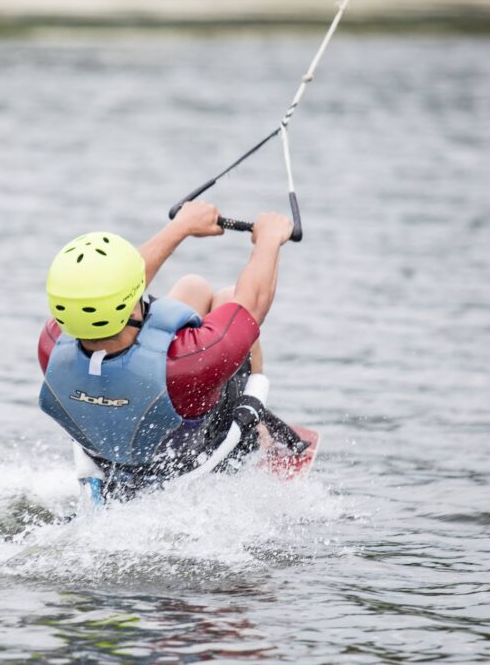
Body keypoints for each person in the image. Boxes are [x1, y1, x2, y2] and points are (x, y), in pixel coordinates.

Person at [37, 201, 296, 501]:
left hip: (114, 450)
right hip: (191, 453)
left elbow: (103, 295)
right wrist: (269, 238)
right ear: (128, 302)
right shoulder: (188, 360)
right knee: (228, 301)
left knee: (192, 287)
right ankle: (259, 435)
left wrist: (181, 226)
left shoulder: (51, 344)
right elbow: (252, 304)